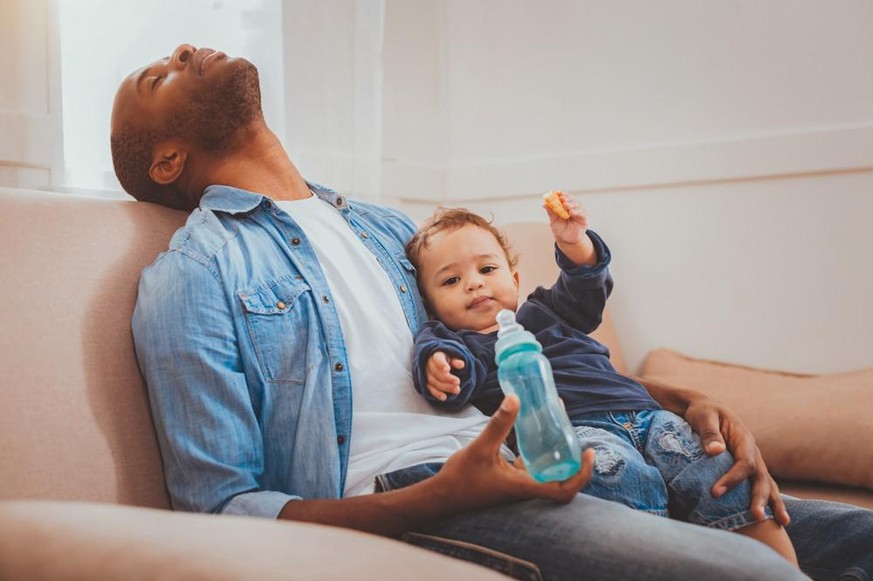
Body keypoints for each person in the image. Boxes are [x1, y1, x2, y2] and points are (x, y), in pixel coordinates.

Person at [110, 43, 872, 580]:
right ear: (169, 161)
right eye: (157, 75)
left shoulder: (385, 226)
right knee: (750, 571)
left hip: (548, 450)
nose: (182, 47)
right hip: (423, 496)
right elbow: (223, 506)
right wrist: (443, 494)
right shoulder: (193, 275)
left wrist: (688, 401)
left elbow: (521, 341)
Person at [405, 199, 797, 562]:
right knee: (617, 491)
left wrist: (575, 243)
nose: (474, 283)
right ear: (429, 304)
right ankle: (664, 558)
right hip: (580, 434)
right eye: (450, 281)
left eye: (487, 269)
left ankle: (786, 570)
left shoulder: (543, 312)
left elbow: (583, 288)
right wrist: (438, 365)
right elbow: (443, 370)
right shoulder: (451, 340)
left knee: (723, 479)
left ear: (515, 278)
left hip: (650, 417)